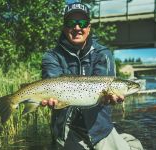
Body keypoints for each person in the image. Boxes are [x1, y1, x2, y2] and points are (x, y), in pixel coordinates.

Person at [41, 2, 143, 150]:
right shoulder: (51, 56)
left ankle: (123, 140)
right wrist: (51, 100)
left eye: (82, 23)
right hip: (66, 126)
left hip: (98, 126)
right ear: (64, 27)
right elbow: (51, 80)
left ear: (89, 27)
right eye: (71, 23)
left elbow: (103, 87)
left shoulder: (103, 53)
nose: (77, 28)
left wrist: (109, 99)